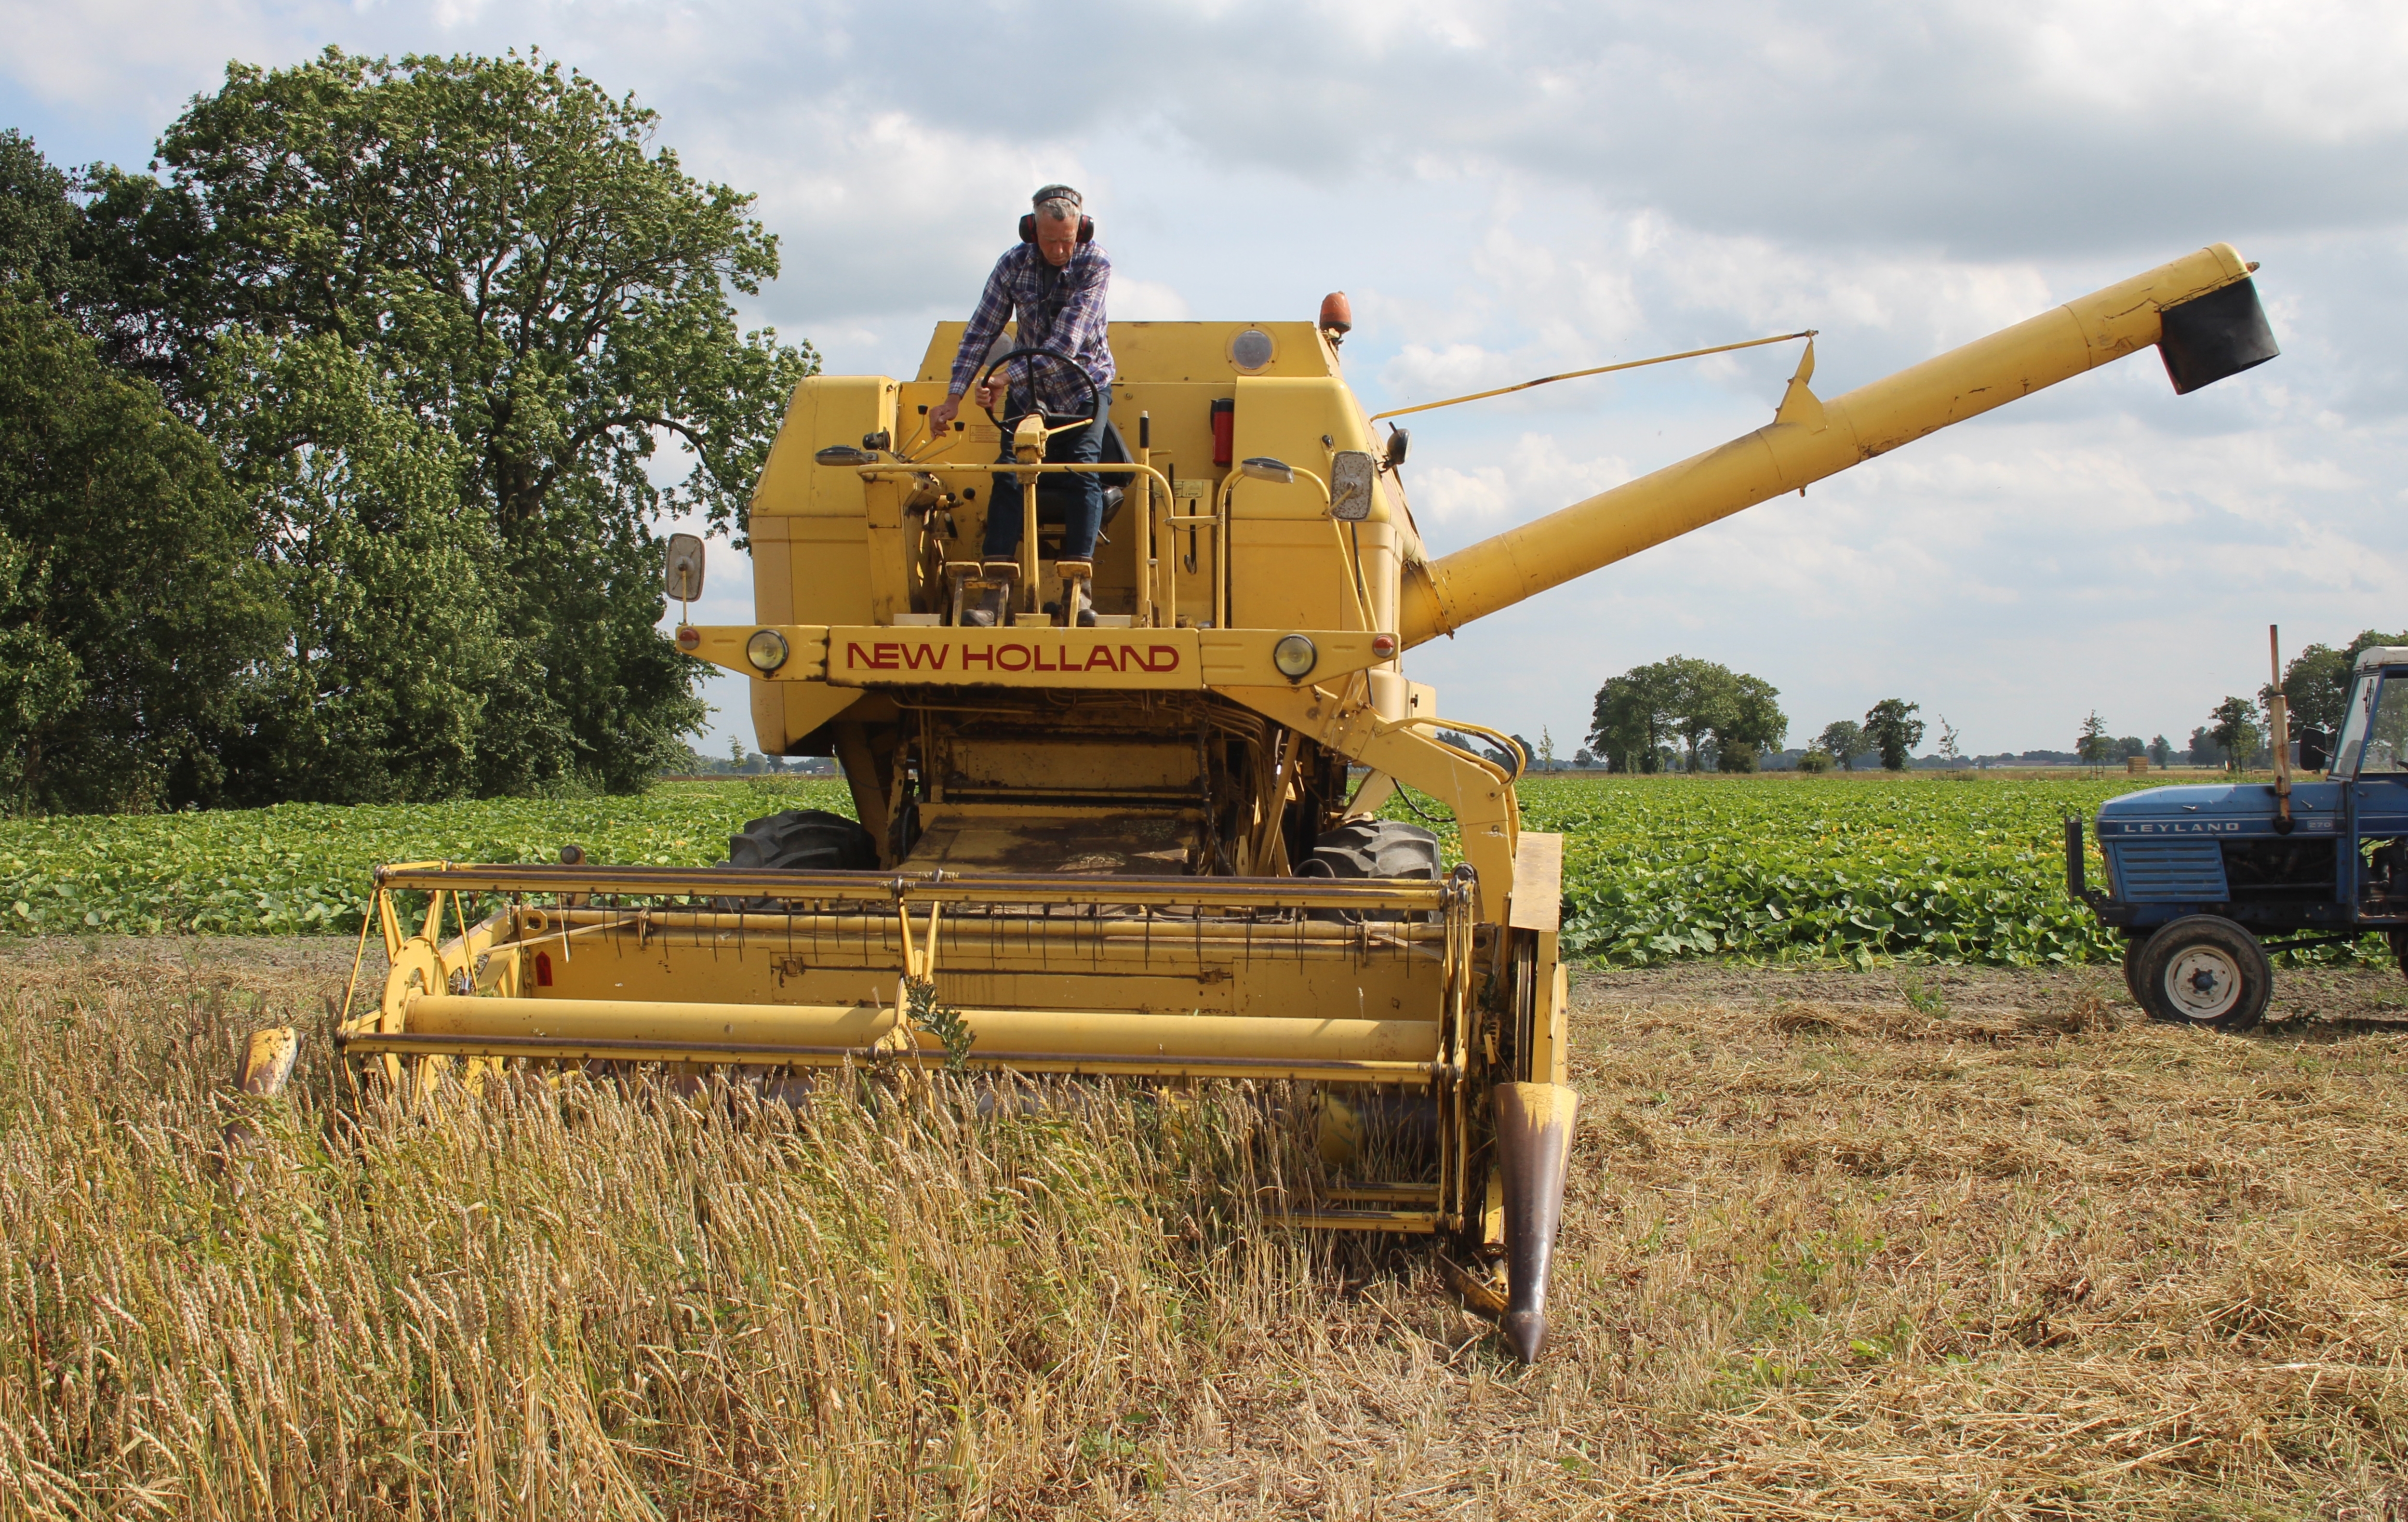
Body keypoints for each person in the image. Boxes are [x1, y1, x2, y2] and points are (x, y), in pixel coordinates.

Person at [930, 185, 1113, 626]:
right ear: (1032, 231)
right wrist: (954, 397)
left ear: (1081, 231)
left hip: (1083, 387)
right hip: (1028, 392)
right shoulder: (1013, 264)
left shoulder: (1095, 264)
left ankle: (1078, 595)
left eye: (1067, 240)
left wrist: (1000, 379)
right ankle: (993, 596)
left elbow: (1064, 345)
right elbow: (981, 331)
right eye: (1050, 241)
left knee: (1083, 472)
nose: (1059, 250)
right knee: (1008, 472)